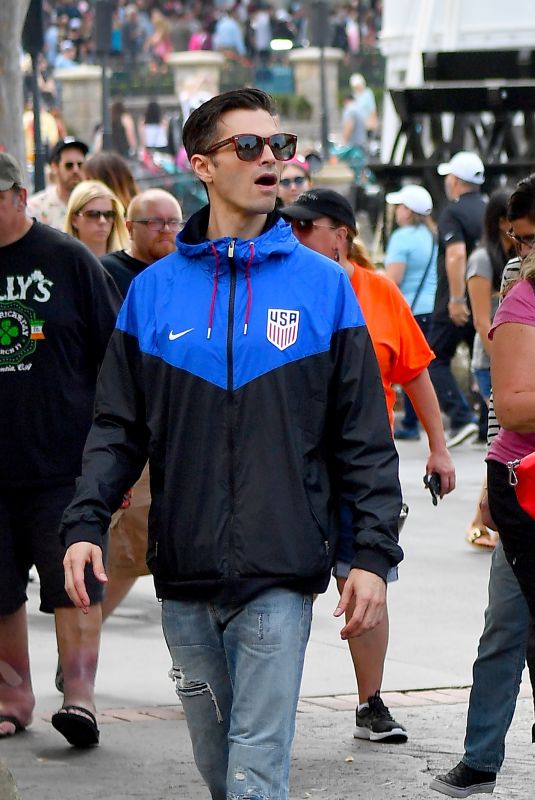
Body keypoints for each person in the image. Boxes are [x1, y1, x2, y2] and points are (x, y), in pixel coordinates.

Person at [60, 88, 403, 796]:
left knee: (254, 773)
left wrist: (369, 554)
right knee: (221, 773)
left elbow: (363, 438)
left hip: (281, 572)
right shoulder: (151, 294)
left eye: (278, 145)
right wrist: (85, 521)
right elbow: (116, 428)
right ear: (202, 166)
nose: (270, 159)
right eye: (248, 147)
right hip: (183, 575)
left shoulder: (325, 288)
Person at [281, 187, 455, 744]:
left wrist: (438, 445)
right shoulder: (281, 286)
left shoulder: (376, 292)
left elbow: (416, 369)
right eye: (293, 226)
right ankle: (271, 701)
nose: (298, 235)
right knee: (284, 584)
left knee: (366, 576)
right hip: (293, 460)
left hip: (362, 462)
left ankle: (370, 701)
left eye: (310, 226)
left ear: (343, 234)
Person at [0, 152, 121, 743]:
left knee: (75, 585)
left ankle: (79, 698)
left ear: (22, 198)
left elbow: (117, 361)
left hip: (63, 466)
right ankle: (12, 697)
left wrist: (116, 464)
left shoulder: (68, 260)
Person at [431, 174, 535, 797]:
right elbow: (512, 410)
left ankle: (479, 757)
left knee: (507, 625)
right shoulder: (520, 295)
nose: (522, 253)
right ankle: (481, 756)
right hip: (524, 482)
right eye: (518, 240)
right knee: (507, 627)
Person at [465, 190, 514, 550]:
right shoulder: (482, 260)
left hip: (511, 360)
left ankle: (481, 520)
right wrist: (511, 360)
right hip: (490, 360)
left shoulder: (517, 261)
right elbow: (483, 322)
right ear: (501, 222)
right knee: (499, 436)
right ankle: (481, 520)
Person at [428, 151, 487, 448]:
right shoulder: (489, 208)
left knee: (433, 358)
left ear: (455, 180)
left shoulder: (452, 212)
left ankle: (461, 416)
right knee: (483, 360)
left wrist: (455, 298)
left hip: (458, 301)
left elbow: (456, 253)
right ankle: (485, 424)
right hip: (487, 298)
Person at [384, 184, 437, 440]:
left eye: (401, 207)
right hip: (430, 307)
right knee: (418, 370)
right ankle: (415, 422)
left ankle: (410, 424)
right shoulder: (432, 235)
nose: (396, 211)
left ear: (410, 211)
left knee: (404, 368)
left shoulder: (401, 238)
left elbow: (392, 279)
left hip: (409, 308)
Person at [27, 136, 88, 230]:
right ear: (54, 167)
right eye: (69, 165)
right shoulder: (36, 208)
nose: (76, 170)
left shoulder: (94, 205)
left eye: (80, 165)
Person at [64, 180, 128, 258]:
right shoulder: (61, 263)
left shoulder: (126, 263)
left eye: (109, 214)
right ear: (74, 220)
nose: (102, 221)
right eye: (93, 214)